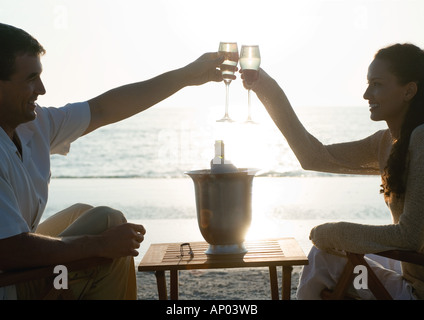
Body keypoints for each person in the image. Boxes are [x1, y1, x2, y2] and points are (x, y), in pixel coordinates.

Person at [0, 23, 228, 300]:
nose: (42, 89)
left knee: (83, 213)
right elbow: (10, 250)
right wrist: (100, 244)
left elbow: (102, 109)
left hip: (19, 262)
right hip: (9, 283)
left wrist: (187, 76)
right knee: (110, 224)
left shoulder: (31, 126)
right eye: (30, 78)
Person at [241, 43, 424, 299]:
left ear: (409, 91)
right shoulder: (386, 142)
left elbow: (409, 237)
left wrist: (332, 233)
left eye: (377, 84)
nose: (366, 94)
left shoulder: (421, 138)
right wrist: (265, 86)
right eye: (368, 83)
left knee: (324, 257)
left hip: (417, 290)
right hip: (409, 268)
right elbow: (314, 157)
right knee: (329, 255)